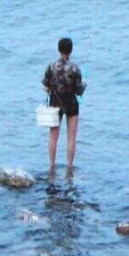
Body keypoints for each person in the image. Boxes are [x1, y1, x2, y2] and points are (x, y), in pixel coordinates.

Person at [42, 36, 85, 170]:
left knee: (53, 136)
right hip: (71, 105)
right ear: (71, 51)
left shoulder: (50, 67)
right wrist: (84, 86)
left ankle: (52, 165)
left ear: (58, 49)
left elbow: (45, 86)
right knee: (71, 137)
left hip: (55, 103)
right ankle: (69, 167)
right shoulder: (75, 69)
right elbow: (78, 92)